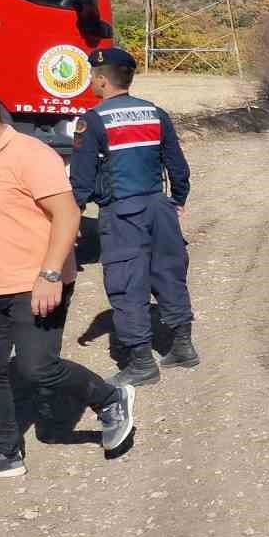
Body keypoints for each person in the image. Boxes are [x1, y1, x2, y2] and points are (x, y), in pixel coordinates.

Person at [0, 84, 136, 482]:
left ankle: (110, 398)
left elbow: (67, 215)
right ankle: (2, 451)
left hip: (35, 281)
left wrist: (50, 273)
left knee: (36, 368)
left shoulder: (30, 155)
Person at [68, 47, 196, 386]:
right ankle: (183, 347)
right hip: (160, 207)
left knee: (127, 284)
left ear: (100, 80)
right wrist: (177, 200)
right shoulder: (156, 113)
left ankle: (142, 364)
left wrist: (72, 220)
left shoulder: (93, 120)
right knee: (169, 273)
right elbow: (178, 167)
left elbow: (80, 181)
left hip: (122, 212)